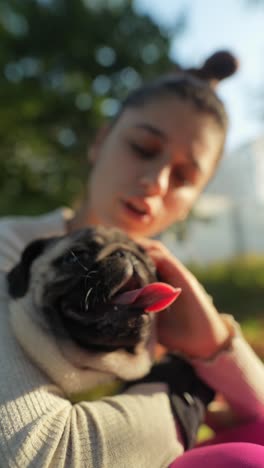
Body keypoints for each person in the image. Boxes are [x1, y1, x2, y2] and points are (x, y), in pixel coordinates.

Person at [0, 50, 263, 468]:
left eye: (183, 178)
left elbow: (259, 412)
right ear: (100, 142)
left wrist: (214, 343)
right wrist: (181, 392)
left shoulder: (164, 289)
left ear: (195, 199)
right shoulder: (8, 250)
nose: (155, 182)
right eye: (143, 148)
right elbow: (33, 454)